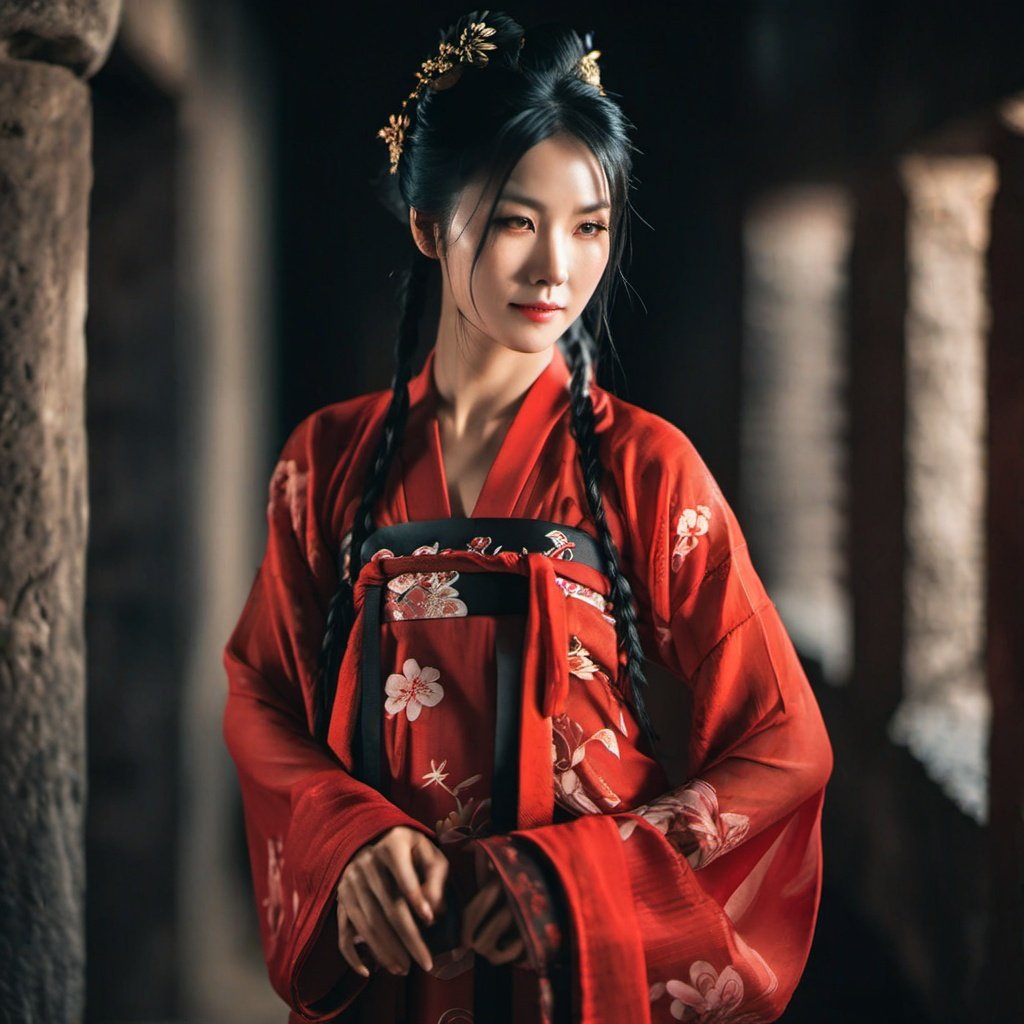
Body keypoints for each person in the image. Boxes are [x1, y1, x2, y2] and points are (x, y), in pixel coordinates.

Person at [222, 10, 833, 1023]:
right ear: (426, 225)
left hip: (571, 979)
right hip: (392, 977)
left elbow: (784, 742)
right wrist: (345, 839)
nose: (557, 267)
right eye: (514, 220)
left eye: (588, 225)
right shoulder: (323, 464)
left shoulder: (647, 469)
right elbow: (261, 697)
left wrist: (576, 879)